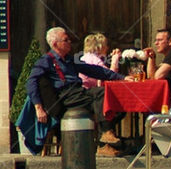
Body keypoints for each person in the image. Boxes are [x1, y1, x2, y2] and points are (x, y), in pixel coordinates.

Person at [26, 26, 131, 156]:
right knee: (100, 94)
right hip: (64, 97)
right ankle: (105, 134)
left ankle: (105, 143)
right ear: (55, 44)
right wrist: (38, 107)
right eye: (66, 40)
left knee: (113, 102)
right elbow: (31, 82)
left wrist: (122, 78)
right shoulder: (45, 61)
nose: (70, 42)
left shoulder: (69, 60)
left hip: (78, 93)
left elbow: (94, 70)